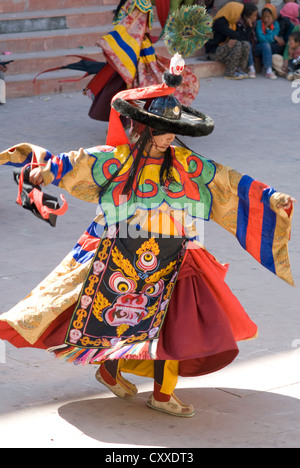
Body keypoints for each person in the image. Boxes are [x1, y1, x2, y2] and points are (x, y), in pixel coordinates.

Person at [0, 66, 295, 417]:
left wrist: (270, 196)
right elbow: (80, 161)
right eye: (163, 130)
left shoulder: (185, 162)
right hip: (120, 253)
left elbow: (225, 181)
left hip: (176, 255)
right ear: (144, 128)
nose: (169, 137)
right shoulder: (118, 161)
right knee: (121, 320)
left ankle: (161, 392)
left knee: (175, 322)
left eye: (174, 130)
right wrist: (49, 170)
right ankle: (110, 369)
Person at [87, 0, 199, 122]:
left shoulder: (133, 2)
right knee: (143, 87)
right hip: (135, 49)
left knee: (126, 86)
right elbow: (134, 28)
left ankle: (127, 122)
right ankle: (135, 123)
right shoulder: (141, 3)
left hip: (129, 49)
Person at [205, 2, 251, 79]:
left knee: (245, 44)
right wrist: (234, 38)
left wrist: (249, 27)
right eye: (238, 13)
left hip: (225, 50)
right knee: (237, 44)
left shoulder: (232, 23)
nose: (239, 16)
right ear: (233, 11)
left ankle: (239, 69)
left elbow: (243, 38)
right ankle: (230, 72)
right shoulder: (220, 21)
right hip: (214, 52)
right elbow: (234, 35)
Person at [255, 4, 285, 79]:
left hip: (270, 46)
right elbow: (261, 38)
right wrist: (274, 37)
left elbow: (274, 36)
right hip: (259, 47)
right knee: (266, 45)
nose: (266, 19)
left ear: (273, 16)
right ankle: (268, 69)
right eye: (264, 16)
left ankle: (276, 68)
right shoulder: (259, 23)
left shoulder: (276, 24)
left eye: (268, 17)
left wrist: (267, 29)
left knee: (280, 45)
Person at [236, 2, 259, 77]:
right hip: (244, 47)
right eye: (253, 16)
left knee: (265, 46)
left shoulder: (256, 23)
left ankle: (268, 69)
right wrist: (249, 27)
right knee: (247, 44)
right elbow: (244, 38)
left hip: (255, 45)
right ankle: (251, 68)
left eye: (256, 15)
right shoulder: (239, 23)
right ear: (246, 16)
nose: (255, 18)